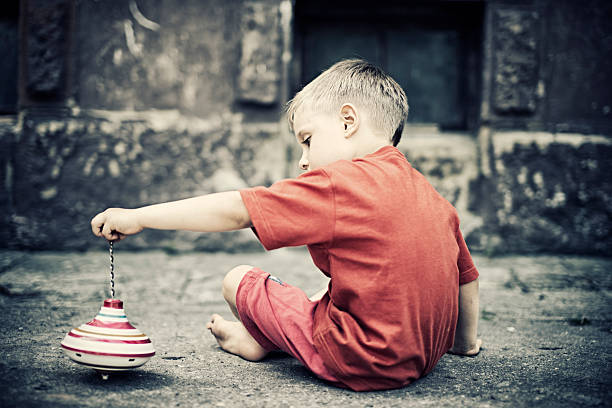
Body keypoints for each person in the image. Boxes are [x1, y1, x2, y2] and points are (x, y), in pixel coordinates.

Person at [91, 59, 481, 391]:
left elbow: (239, 209)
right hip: (423, 358)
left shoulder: (339, 183)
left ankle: (262, 341)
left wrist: (139, 216)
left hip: (360, 356)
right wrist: (463, 344)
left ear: (348, 122)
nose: (303, 161)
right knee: (328, 290)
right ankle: (277, 337)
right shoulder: (433, 197)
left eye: (307, 141)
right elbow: (465, 277)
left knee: (237, 277)